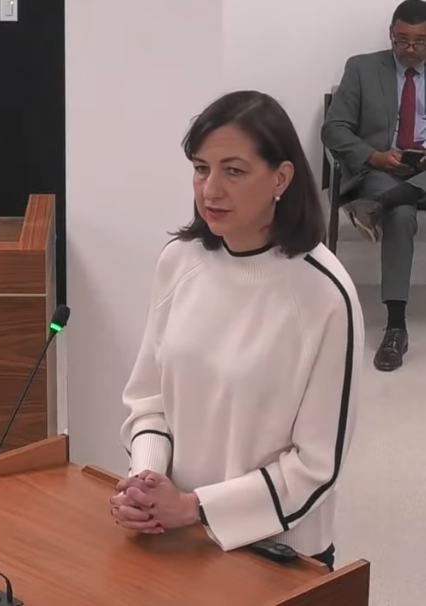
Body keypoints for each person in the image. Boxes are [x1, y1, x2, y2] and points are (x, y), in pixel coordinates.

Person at [110, 91, 365, 574]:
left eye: (234, 170)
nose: (210, 190)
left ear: (281, 178)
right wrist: (145, 481)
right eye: (201, 168)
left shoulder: (326, 294)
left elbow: (316, 465)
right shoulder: (179, 261)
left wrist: (195, 506)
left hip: (277, 553)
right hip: (174, 538)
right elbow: (150, 402)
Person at [322, 0, 426, 371]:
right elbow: (333, 130)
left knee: (393, 205)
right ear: (391, 36)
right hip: (382, 168)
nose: (410, 50)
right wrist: (374, 156)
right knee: (400, 215)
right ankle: (396, 327)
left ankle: (374, 206)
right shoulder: (363, 68)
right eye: (402, 41)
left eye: (420, 42)